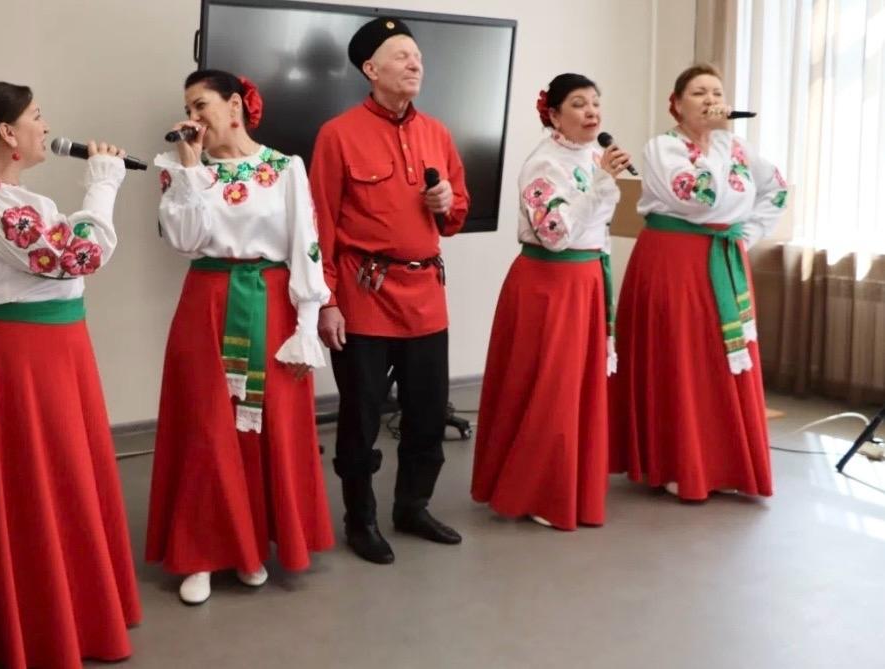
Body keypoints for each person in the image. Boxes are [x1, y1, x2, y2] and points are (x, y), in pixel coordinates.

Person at [0, 82, 141, 668]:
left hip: (47, 353)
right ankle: (38, 621)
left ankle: (68, 609)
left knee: (61, 479)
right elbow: (77, 257)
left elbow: (61, 253)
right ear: (7, 132)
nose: (46, 127)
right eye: (37, 117)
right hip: (20, 360)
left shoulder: (9, 198)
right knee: (36, 484)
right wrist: (102, 185)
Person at [145, 70, 334, 605]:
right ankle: (202, 553)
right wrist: (189, 169)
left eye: (201, 104)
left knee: (267, 426)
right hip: (207, 303)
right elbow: (184, 241)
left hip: (270, 303)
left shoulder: (284, 168)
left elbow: (306, 245)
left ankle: (253, 547)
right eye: (188, 108)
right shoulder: (181, 170)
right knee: (205, 425)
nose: (193, 117)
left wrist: (306, 326)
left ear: (235, 106)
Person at [309, 17, 470, 564]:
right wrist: (327, 300)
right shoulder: (337, 134)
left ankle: (412, 507)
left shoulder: (438, 133)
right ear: (370, 69)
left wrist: (448, 205)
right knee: (360, 418)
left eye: (417, 55)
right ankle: (361, 519)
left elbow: (457, 214)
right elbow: (321, 223)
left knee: (426, 413)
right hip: (365, 294)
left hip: (426, 295)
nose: (414, 62)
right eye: (401, 55)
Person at [609, 64, 789, 500]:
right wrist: (728, 193)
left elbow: (777, 189)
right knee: (680, 356)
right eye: (699, 93)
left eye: (717, 93)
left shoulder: (736, 146)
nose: (711, 100)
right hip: (673, 262)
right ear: (676, 104)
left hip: (723, 257)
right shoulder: (662, 148)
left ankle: (722, 463)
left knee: (718, 358)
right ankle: (674, 462)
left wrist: (746, 233)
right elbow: (698, 197)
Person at [471, 73, 631, 530]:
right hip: (549, 283)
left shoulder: (595, 157)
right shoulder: (543, 163)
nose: (591, 111)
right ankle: (536, 489)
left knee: (575, 388)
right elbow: (554, 233)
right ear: (554, 115)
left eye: (595, 102)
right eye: (578, 103)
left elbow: (598, 227)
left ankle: (569, 484)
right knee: (550, 389)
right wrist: (600, 183)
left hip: (585, 280)